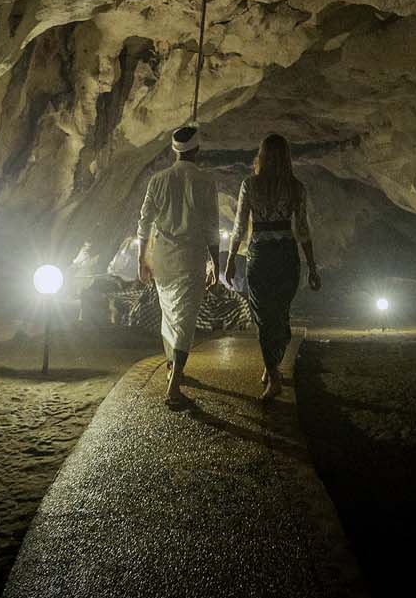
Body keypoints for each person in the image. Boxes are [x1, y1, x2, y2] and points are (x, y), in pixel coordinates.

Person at [222, 133, 321, 400]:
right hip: (287, 256)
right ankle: (272, 368)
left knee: (264, 318)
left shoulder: (250, 185)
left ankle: (273, 375)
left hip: (261, 257)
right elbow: (302, 229)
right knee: (280, 316)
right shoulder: (296, 187)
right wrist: (311, 265)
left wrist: (231, 259)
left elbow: (240, 227)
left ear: (261, 155)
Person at [138, 124, 220, 405]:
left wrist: (142, 258)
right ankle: (173, 386)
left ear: (174, 150)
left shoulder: (158, 180)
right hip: (190, 256)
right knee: (184, 319)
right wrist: (215, 263)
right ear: (197, 149)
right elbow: (211, 226)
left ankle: (174, 368)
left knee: (169, 313)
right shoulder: (205, 181)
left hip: (163, 257)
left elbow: (144, 222)